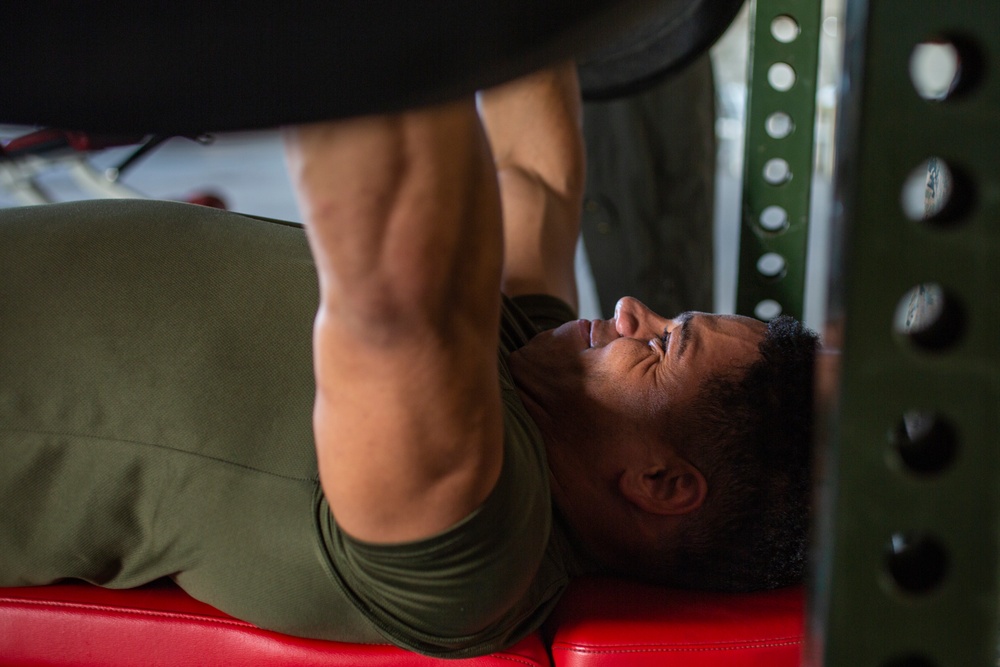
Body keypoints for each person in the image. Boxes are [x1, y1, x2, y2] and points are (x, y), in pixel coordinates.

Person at [0, 63, 817, 658]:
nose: (634, 310)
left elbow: (389, 239)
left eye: (666, 344)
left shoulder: (481, 533)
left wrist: (394, 31)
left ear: (661, 482)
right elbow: (532, 173)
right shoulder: (535, 369)